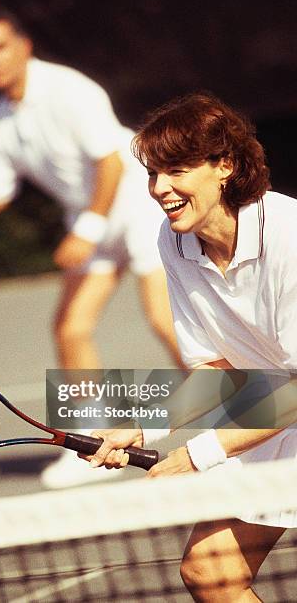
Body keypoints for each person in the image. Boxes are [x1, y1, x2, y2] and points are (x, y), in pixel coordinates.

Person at [0, 10, 183, 489]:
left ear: (24, 46)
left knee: (165, 320)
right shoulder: (2, 123)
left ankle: (250, 420)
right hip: (92, 219)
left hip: (139, 203)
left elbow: (109, 163)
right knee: (71, 326)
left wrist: (87, 229)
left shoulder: (69, 90)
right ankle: (92, 441)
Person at [80, 92, 297, 601]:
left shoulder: (290, 237)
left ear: (224, 165)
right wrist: (142, 422)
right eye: (154, 174)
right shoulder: (174, 240)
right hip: (278, 413)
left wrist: (194, 456)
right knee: (210, 574)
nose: (161, 189)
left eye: (176, 170)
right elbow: (218, 366)